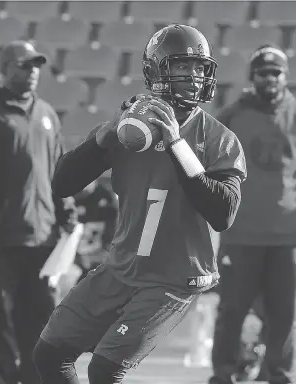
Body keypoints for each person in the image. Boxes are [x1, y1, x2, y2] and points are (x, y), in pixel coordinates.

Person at [32, 24, 247, 384]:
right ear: (157, 71)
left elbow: (223, 213)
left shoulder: (218, 138)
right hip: (121, 267)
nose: (193, 77)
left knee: (105, 370)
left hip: (175, 277)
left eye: (200, 68)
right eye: (182, 66)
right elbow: (63, 184)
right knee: (50, 355)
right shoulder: (132, 127)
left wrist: (178, 145)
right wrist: (101, 138)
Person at [0, 40, 78, 384]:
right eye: (23, 65)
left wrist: (66, 211)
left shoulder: (47, 114)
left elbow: (57, 169)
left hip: (42, 239)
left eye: (36, 65)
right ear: (5, 69)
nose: (32, 72)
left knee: (39, 324)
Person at [209, 44, 296, 384]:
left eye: (276, 72)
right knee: (231, 311)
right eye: (263, 72)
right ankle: (224, 374)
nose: (270, 78)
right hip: (241, 233)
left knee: (284, 313)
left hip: (288, 234)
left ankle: (279, 375)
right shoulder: (232, 115)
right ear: (252, 77)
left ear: (286, 76)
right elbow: (209, 161)